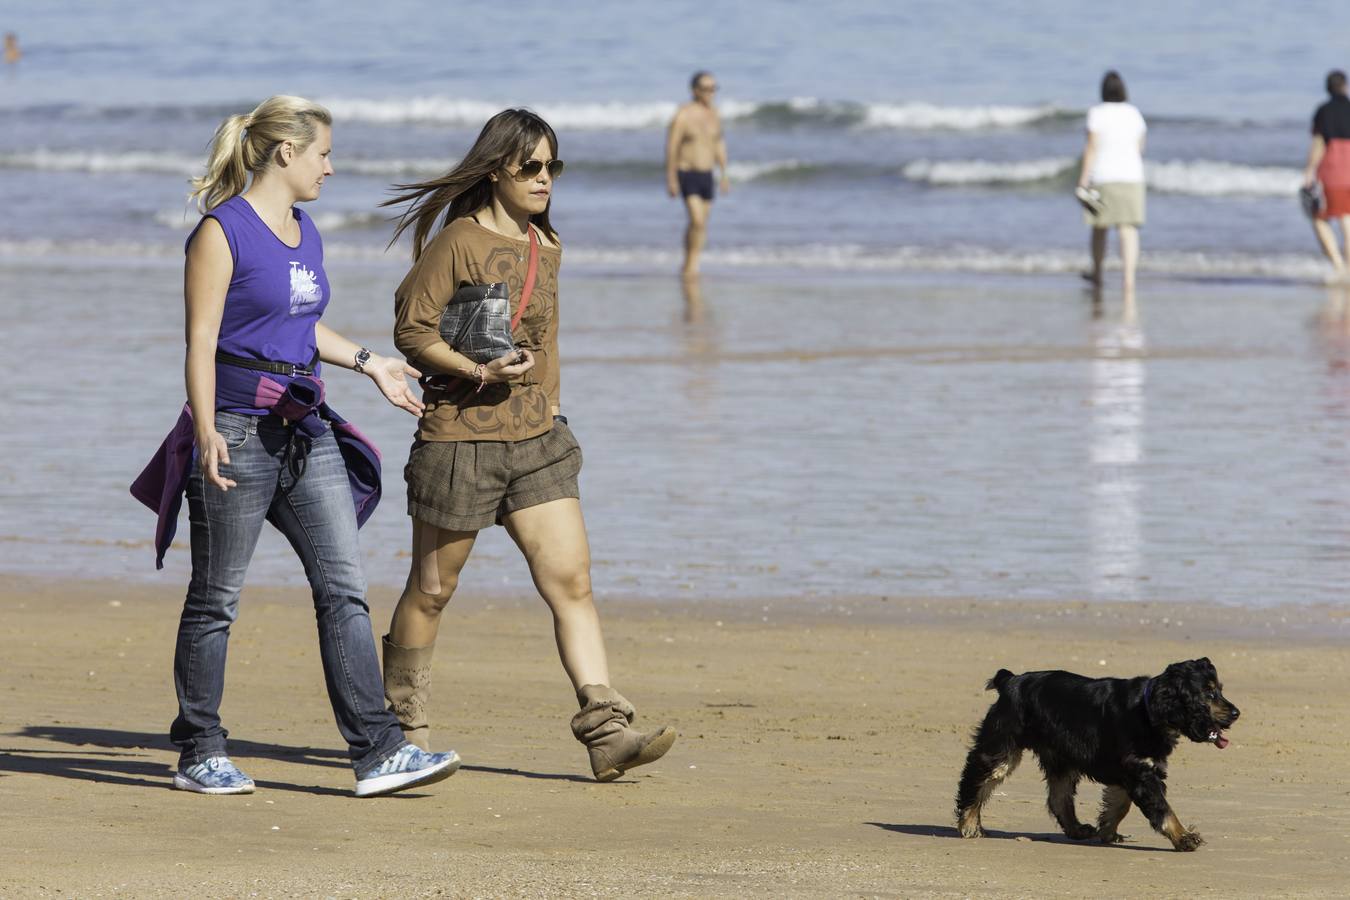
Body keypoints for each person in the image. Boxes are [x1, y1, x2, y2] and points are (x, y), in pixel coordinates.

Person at [152, 95, 459, 797]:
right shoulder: (219, 233)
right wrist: (204, 429)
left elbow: (301, 325)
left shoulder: (306, 229)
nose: (331, 166)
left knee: (343, 589)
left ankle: (379, 752)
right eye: (323, 152)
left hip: (306, 431)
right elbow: (202, 339)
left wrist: (369, 362)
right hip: (235, 430)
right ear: (286, 152)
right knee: (216, 598)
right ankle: (200, 751)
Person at [382, 108, 677, 782]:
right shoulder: (457, 240)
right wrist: (479, 369)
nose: (545, 179)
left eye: (553, 167)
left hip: (539, 439)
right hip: (460, 443)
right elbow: (412, 330)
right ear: (496, 171)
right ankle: (403, 731)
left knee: (572, 582)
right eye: (531, 168)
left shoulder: (547, 241)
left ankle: (607, 733)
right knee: (431, 592)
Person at [1076, 70, 1147, 296]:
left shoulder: (1097, 113)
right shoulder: (1133, 113)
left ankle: (1097, 273)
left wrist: (1083, 179)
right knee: (1128, 229)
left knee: (1100, 227)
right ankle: (1128, 279)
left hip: (1103, 177)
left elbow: (1091, 148)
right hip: (1132, 176)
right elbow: (1139, 147)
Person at [666, 71, 730, 279]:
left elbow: (719, 143)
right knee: (697, 220)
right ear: (695, 90)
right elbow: (672, 146)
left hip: (707, 175)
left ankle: (691, 261)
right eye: (706, 88)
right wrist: (671, 178)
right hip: (687, 173)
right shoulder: (683, 114)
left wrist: (724, 173)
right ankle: (690, 267)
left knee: (700, 224)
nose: (711, 93)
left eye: (714, 88)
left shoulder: (715, 114)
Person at [1304, 70, 1350, 279]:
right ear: (1345, 86)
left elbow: (1318, 143)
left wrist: (1308, 171)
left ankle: (1339, 264)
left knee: (1319, 217)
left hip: (1332, 169)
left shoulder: (1323, 111)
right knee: (1347, 218)